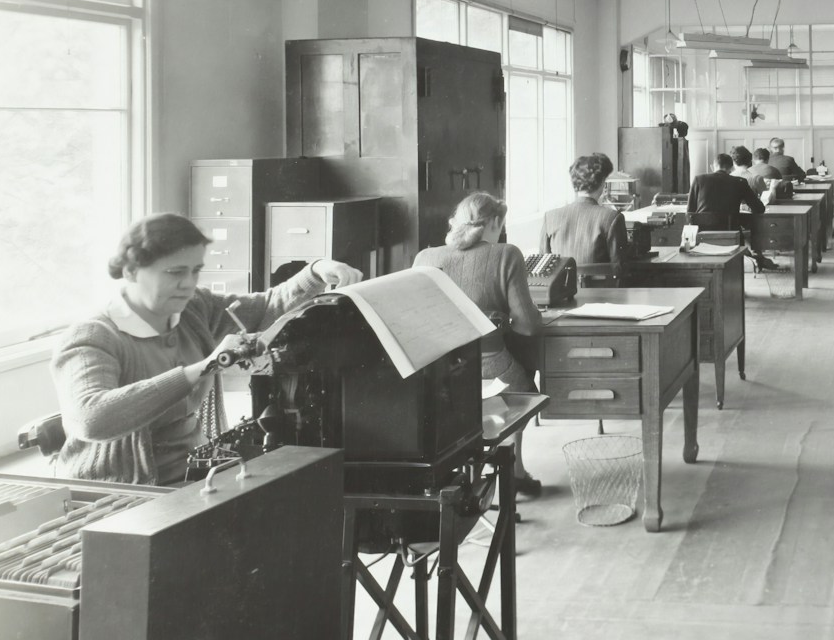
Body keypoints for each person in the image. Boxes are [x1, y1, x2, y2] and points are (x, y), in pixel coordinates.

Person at [51, 213, 365, 486]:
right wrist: (204, 367)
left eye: (195, 270)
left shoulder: (192, 309)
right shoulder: (92, 336)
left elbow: (266, 306)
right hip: (122, 488)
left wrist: (317, 271)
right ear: (132, 272)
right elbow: (91, 419)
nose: (188, 283)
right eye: (175, 272)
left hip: (191, 474)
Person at [416, 192, 544, 492]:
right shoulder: (507, 254)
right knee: (524, 386)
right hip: (491, 371)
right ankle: (515, 471)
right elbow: (528, 326)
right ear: (495, 222)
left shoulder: (425, 257)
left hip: (438, 378)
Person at [541, 153, 630, 279]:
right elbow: (619, 268)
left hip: (562, 295)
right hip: (603, 296)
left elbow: (544, 269)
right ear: (602, 183)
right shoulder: (612, 217)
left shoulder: (550, 217)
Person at [688, 152, 777, 269]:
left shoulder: (698, 180)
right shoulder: (739, 182)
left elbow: (690, 211)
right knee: (752, 223)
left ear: (712, 166)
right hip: (730, 232)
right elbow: (759, 209)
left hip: (701, 233)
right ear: (731, 168)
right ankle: (756, 255)